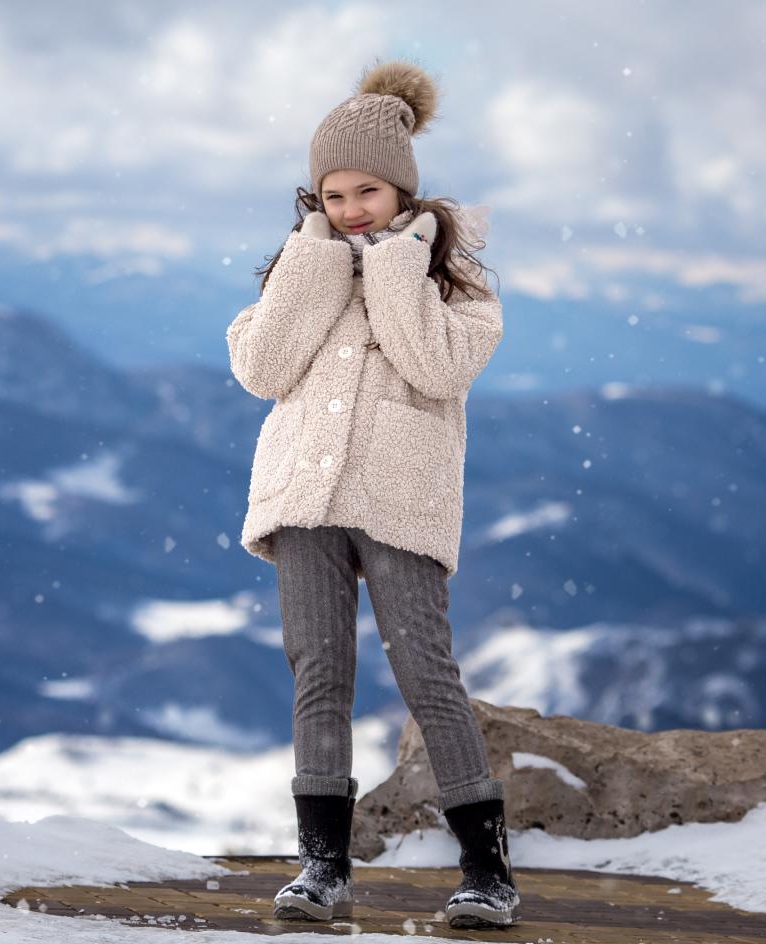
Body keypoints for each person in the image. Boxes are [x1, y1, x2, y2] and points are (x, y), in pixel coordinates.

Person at [225, 59, 519, 928]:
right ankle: (323, 866)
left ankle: (487, 871)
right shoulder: (297, 268)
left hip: (401, 500)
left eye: (367, 192)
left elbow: (434, 367)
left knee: (428, 674)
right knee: (320, 676)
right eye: (332, 194)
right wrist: (314, 265)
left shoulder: (458, 290)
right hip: (302, 499)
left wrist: (396, 265)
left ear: (402, 192)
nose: (351, 209)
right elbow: (260, 368)